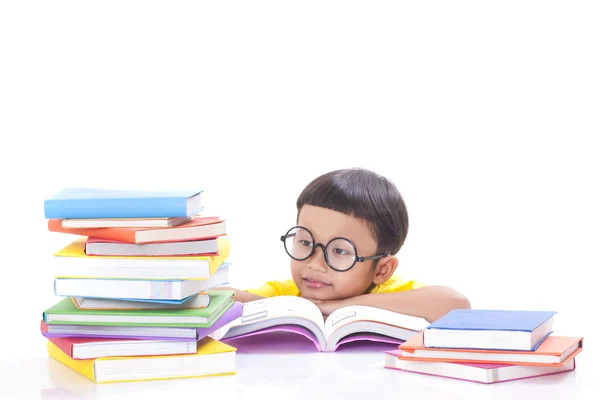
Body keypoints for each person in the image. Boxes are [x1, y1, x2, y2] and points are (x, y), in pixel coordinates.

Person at [221, 168, 470, 322]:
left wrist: (337, 308)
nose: (314, 264)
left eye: (339, 251)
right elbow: (218, 298)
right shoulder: (288, 294)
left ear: (382, 269)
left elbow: (455, 304)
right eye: (305, 242)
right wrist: (295, 309)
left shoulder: (395, 294)